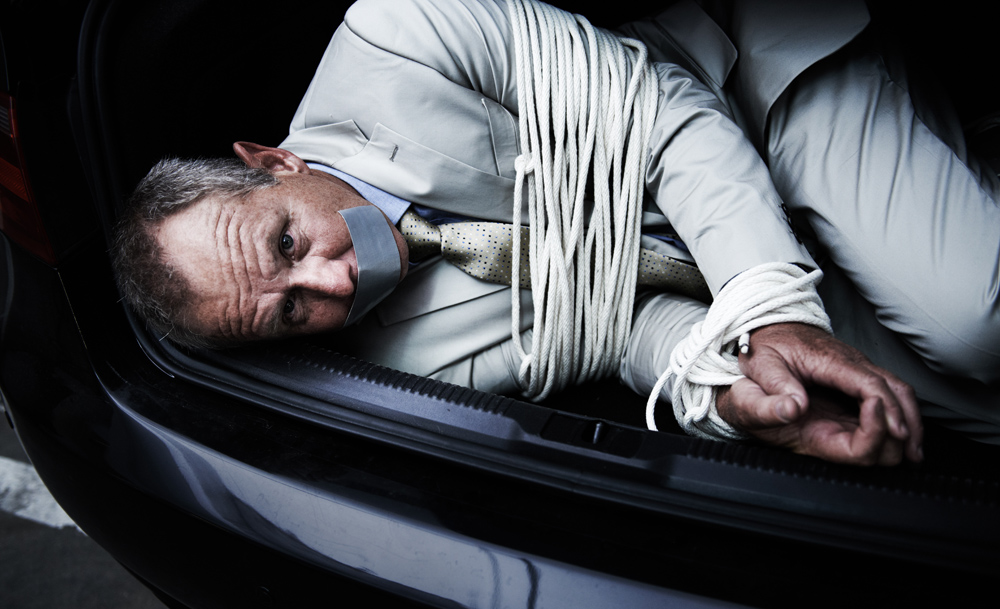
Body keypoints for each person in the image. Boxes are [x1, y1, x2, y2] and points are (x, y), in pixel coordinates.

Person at [116, 0, 1000, 465]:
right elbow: (615, 327)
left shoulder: (397, 35)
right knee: (941, 413)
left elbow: (664, 116)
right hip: (722, 282)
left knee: (971, 317)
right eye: (288, 314)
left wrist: (771, 313)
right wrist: (730, 396)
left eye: (286, 245)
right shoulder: (401, 368)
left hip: (751, 93)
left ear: (272, 162)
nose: (333, 285)